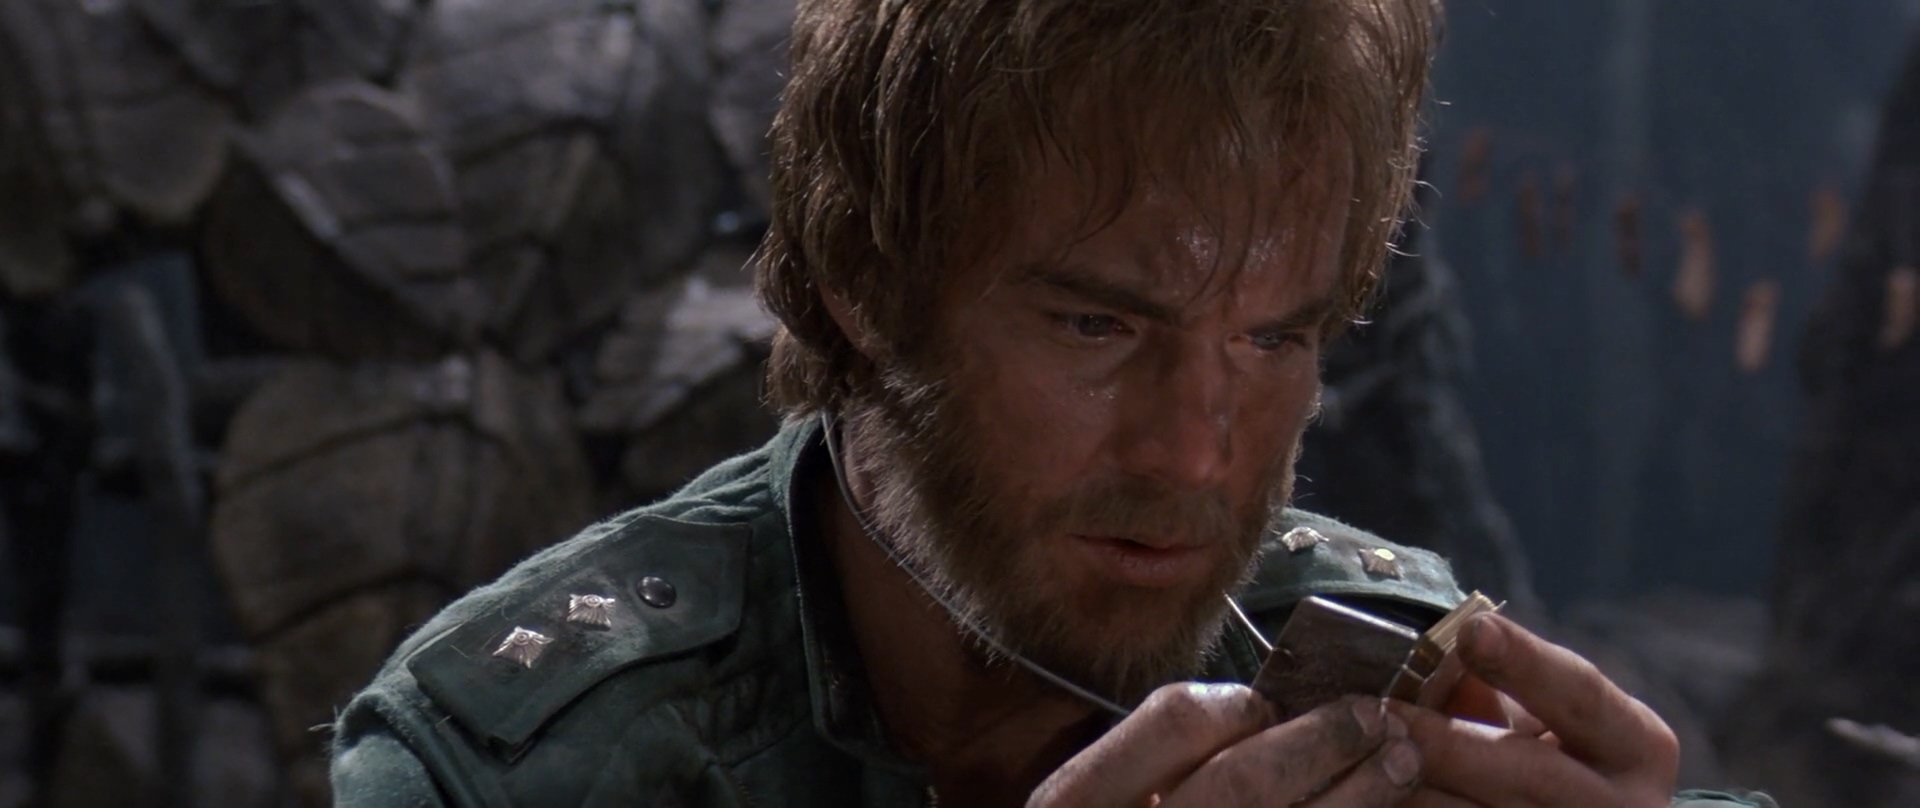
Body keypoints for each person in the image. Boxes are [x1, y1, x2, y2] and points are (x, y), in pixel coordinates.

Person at [328, 0, 1770, 804]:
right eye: (1099, 325)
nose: (1195, 456)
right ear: (861, 282)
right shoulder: (507, 766)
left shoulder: (1372, 658)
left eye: (1273, 338)